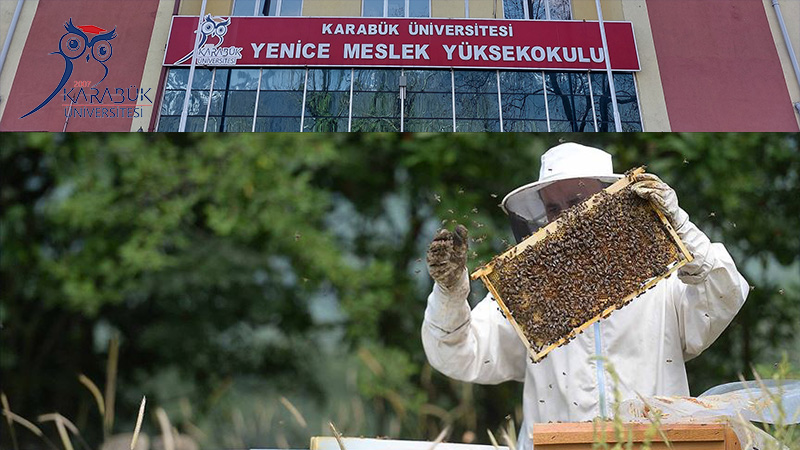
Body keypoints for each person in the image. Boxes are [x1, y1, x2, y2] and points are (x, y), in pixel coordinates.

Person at [421, 143, 749, 449]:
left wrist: (680, 227)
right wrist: (450, 294)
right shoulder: (529, 291)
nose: (565, 217)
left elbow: (724, 294)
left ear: (610, 201)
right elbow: (460, 353)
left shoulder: (660, 277)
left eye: (576, 202)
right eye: (553, 207)